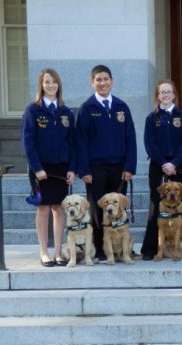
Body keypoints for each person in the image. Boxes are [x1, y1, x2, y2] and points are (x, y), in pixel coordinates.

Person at [76, 64, 137, 261]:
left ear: (112, 81)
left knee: (118, 208)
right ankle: (102, 249)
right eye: (98, 80)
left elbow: (131, 138)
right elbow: (81, 141)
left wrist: (129, 166)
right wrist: (83, 169)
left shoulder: (121, 107)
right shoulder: (87, 108)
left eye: (106, 79)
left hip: (119, 167)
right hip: (95, 169)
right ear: (92, 83)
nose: (102, 83)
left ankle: (120, 249)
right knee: (97, 209)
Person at [140, 80, 182, 260]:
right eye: (162, 92)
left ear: (174, 95)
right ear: (157, 96)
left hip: (179, 166)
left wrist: (174, 163)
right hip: (158, 166)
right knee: (155, 208)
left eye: (169, 92)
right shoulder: (151, 118)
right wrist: (164, 164)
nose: (166, 95)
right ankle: (149, 250)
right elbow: (150, 144)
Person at [21, 68, 76, 267]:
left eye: (54, 82)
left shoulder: (66, 112)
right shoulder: (33, 110)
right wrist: (36, 168)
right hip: (41, 169)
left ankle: (59, 252)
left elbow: (73, 144)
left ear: (58, 85)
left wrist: (72, 168)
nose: (51, 85)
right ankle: (44, 252)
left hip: (61, 168)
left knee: (59, 210)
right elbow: (28, 142)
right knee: (44, 209)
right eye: (46, 82)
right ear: (41, 85)